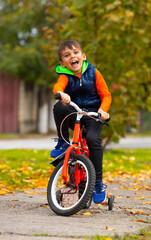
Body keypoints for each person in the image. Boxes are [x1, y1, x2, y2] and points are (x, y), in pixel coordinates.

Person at [51, 40, 111, 204]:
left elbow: (106, 95)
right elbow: (57, 87)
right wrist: (61, 94)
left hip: (93, 115)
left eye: (76, 53)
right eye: (67, 55)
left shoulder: (94, 72)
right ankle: (62, 143)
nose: (72, 57)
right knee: (59, 107)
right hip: (75, 113)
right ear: (62, 62)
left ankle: (97, 183)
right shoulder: (65, 76)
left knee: (93, 139)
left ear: (83, 57)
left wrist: (103, 111)